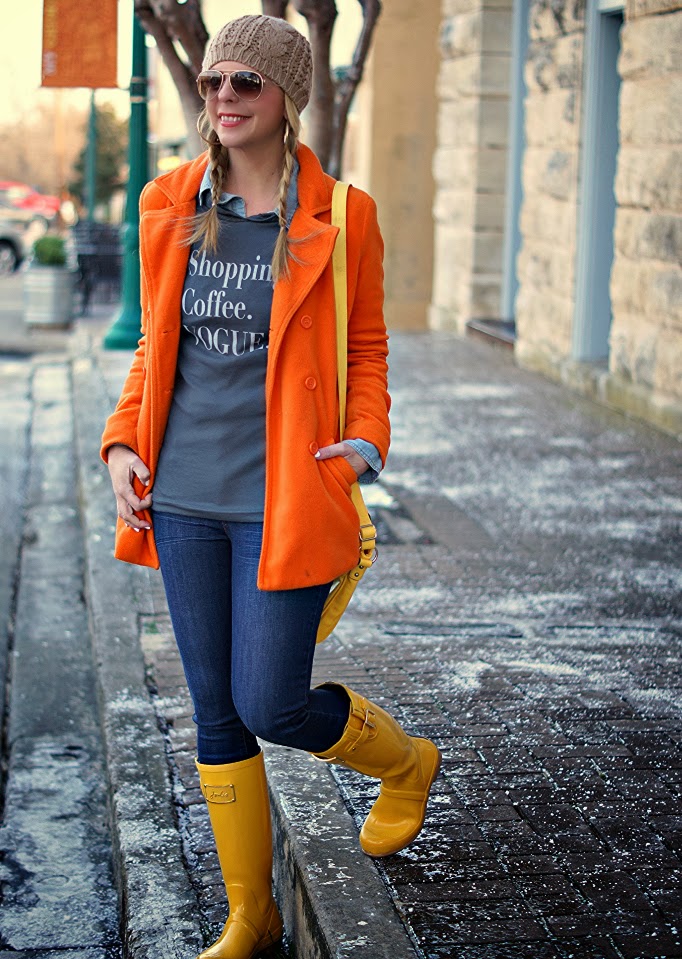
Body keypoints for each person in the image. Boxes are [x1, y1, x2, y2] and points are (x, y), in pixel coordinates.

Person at [101, 14, 441, 959]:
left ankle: (406, 762)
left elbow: (366, 346)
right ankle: (249, 913)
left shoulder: (343, 215)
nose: (224, 97)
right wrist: (122, 442)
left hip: (284, 498)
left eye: (245, 82)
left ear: (286, 95)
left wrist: (366, 440)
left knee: (271, 702)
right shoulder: (170, 201)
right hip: (181, 496)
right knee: (215, 709)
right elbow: (154, 344)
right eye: (214, 81)